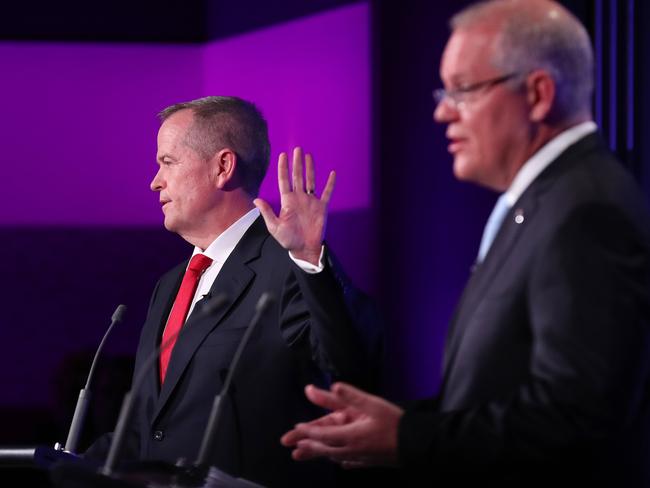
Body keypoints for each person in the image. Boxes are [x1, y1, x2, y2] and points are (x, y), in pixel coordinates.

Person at [281, 1, 650, 486]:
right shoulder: (543, 202)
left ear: (538, 93)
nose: (441, 111)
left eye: (463, 90)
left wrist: (409, 438)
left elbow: (575, 418)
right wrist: (394, 427)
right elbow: (493, 395)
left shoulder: (586, 210)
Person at [85, 96, 377, 487]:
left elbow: (350, 370)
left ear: (223, 167)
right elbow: (151, 426)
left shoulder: (291, 265)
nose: (154, 181)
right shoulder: (169, 285)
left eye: (167, 163)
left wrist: (310, 260)